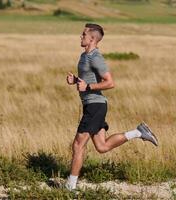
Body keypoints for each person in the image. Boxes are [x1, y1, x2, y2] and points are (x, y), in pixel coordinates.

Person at [65, 23, 158, 191]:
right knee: (102, 147)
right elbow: (89, 80)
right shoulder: (84, 56)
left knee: (78, 145)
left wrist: (87, 87)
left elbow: (110, 82)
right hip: (92, 106)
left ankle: (69, 187)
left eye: (83, 34)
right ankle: (139, 132)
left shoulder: (96, 57)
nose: (80, 36)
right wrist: (76, 81)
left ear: (92, 38)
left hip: (95, 105)